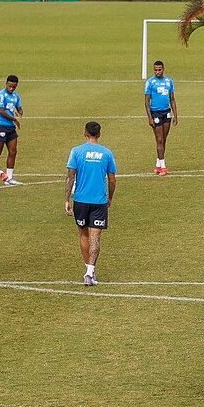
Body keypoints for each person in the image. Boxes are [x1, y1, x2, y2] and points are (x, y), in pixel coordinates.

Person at [65, 121, 118, 286]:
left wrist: (67, 199)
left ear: (85, 133)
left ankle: (88, 269)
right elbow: (112, 179)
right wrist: (110, 197)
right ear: (99, 134)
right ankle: (90, 272)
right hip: (99, 201)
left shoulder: (76, 151)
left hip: (80, 200)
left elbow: (70, 176)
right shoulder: (107, 153)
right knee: (95, 237)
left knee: (83, 235)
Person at [143, 59, 177, 175]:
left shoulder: (169, 82)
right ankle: (163, 167)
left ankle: (158, 165)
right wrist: (149, 117)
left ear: (163, 69)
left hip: (166, 113)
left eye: (159, 70)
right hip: (156, 113)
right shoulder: (150, 83)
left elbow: (172, 99)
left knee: (164, 139)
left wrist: (175, 115)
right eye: (156, 70)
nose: (157, 72)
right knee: (159, 139)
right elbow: (147, 101)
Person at [0, 76, 25, 186]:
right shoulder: (0, 95)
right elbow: (1, 111)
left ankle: (9, 178)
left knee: (13, 151)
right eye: (9, 86)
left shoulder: (16, 96)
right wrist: (14, 119)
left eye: (14, 86)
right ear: (6, 84)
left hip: (11, 128)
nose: (11, 88)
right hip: (0, 127)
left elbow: (18, 108)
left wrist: (20, 111)